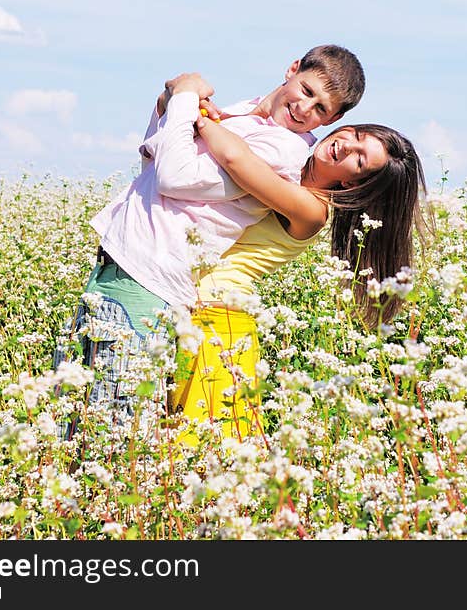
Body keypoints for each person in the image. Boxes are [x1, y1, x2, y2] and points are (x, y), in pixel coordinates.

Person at [53, 46, 364, 426]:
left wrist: (187, 98)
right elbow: (155, 159)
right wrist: (170, 101)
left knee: (111, 427)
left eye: (320, 110)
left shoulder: (283, 150)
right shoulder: (243, 113)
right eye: (307, 91)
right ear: (292, 69)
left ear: (331, 119)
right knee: (65, 417)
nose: (304, 109)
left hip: (150, 280)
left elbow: (176, 176)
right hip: (117, 264)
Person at [166, 108, 428, 447]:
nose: (347, 146)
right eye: (357, 136)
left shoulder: (311, 208)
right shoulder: (286, 164)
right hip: (184, 305)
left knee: (199, 451)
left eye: (360, 160)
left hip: (221, 323)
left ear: (352, 183)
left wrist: (193, 113)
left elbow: (234, 158)